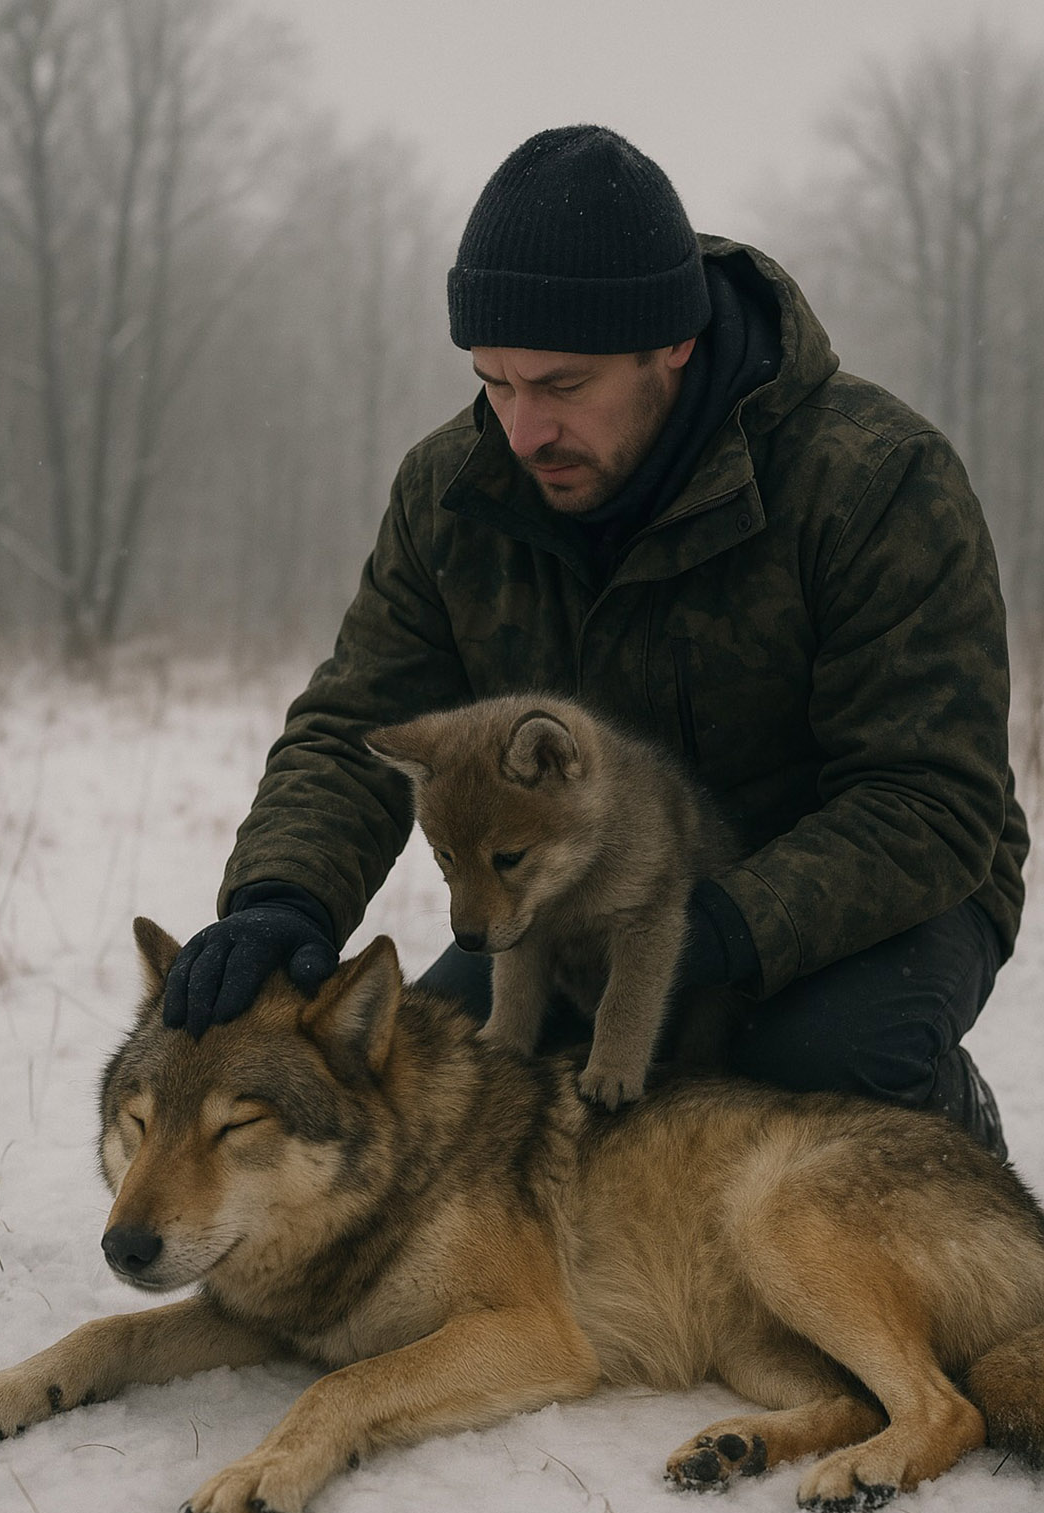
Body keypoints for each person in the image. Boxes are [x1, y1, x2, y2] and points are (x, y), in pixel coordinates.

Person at [163, 125, 1028, 1159]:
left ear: (674, 343)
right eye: (495, 381)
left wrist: (710, 932)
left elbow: (933, 803)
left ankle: (946, 1120)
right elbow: (359, 719)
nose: (524, 431)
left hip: (866, 903)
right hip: (571, 893)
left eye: (563, 386)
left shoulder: (874, 480)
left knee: (797, 1066)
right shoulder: (455, 491)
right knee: (425, 1088)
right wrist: (281, 899)